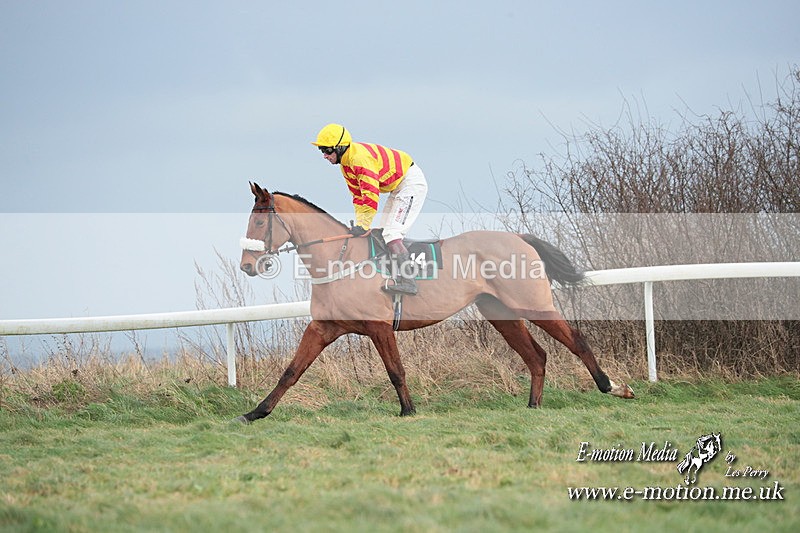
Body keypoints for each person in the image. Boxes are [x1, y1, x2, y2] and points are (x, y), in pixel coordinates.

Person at [312, 123, 428, 296]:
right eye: (322, 151)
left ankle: (409, 281)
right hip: (397, 187)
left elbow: (371, 196)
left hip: (409, 183)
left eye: (327, 151)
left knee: (392, 234)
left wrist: (364, 225)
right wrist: (360, 224)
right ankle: (393, 274)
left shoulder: (359, 160)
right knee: (382, 233)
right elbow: (358, 197)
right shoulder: (346, 164)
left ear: (340, 148)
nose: (324, 156)